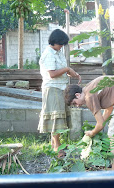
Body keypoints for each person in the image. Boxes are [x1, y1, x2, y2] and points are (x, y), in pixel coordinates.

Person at [64, 76, 114, 170]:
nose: (77, 106)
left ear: (77, 95)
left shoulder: (89, 97)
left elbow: (100, 125)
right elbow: (109, 109)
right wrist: (99, 125)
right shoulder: (89, 88)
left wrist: (92, 132)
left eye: (75, 103)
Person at [38, 29, 81, 157]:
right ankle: (57, 147)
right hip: (52, 88)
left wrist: (73, 73)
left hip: (61, 87)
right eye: (61, 44)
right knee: (56, 118)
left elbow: (62, 70)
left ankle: (55, 144)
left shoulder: (58, 52)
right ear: (55, 42)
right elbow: (52, 74)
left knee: (59, 117)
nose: (62, 46)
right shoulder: (49, 54)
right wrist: (67, 69)